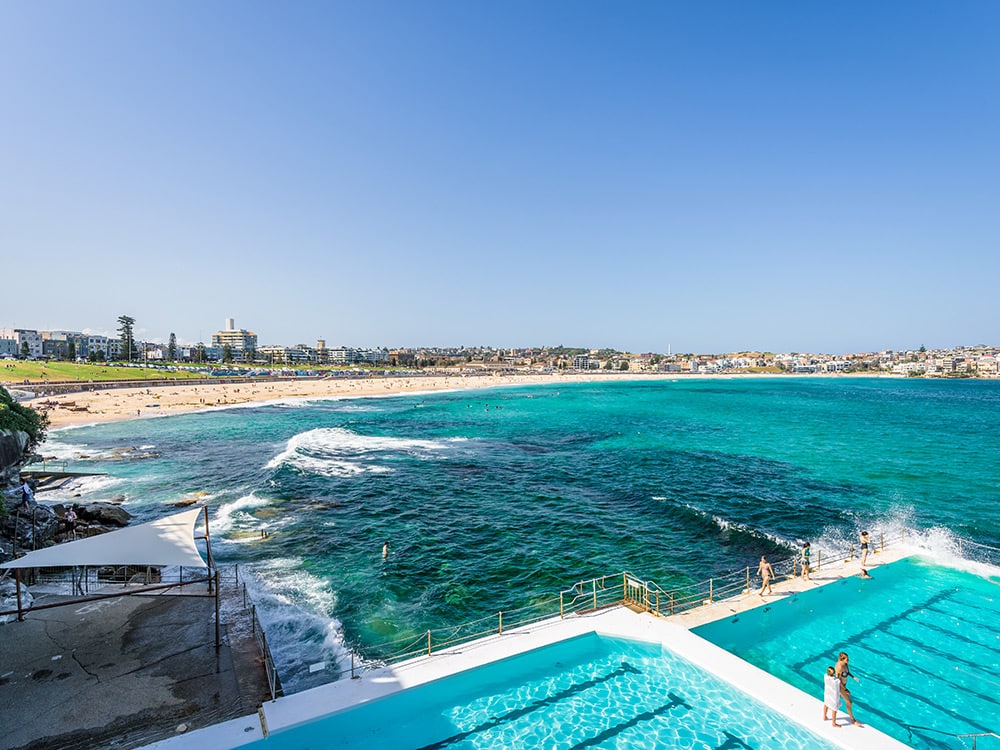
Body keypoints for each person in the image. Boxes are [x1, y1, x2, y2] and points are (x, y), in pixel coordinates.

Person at [835, 651, 863, 726]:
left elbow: (847, 672)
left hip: (844, 684)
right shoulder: (839, 667)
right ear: (842, 659)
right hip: (840, 686)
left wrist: (853, 677)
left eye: (848, 659)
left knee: (835, 700)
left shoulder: (845, 664)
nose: (848, 660)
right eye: (847, 659)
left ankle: (825, 712)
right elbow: (838, 680)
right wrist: (845, 689)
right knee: (849, 702)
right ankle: (853, 720)